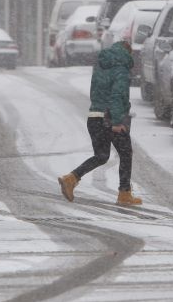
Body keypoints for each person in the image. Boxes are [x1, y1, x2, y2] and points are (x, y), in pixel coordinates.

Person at [58, 38, 142, 206]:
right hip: (110, 118)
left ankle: (71, 178)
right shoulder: (121, 69)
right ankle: (124, 194)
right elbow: (118, 95)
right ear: (127, 53)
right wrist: (117, 121)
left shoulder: (100, 66)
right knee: (126, 154)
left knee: (101, 155)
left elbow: (98, 92)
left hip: (94, 116)